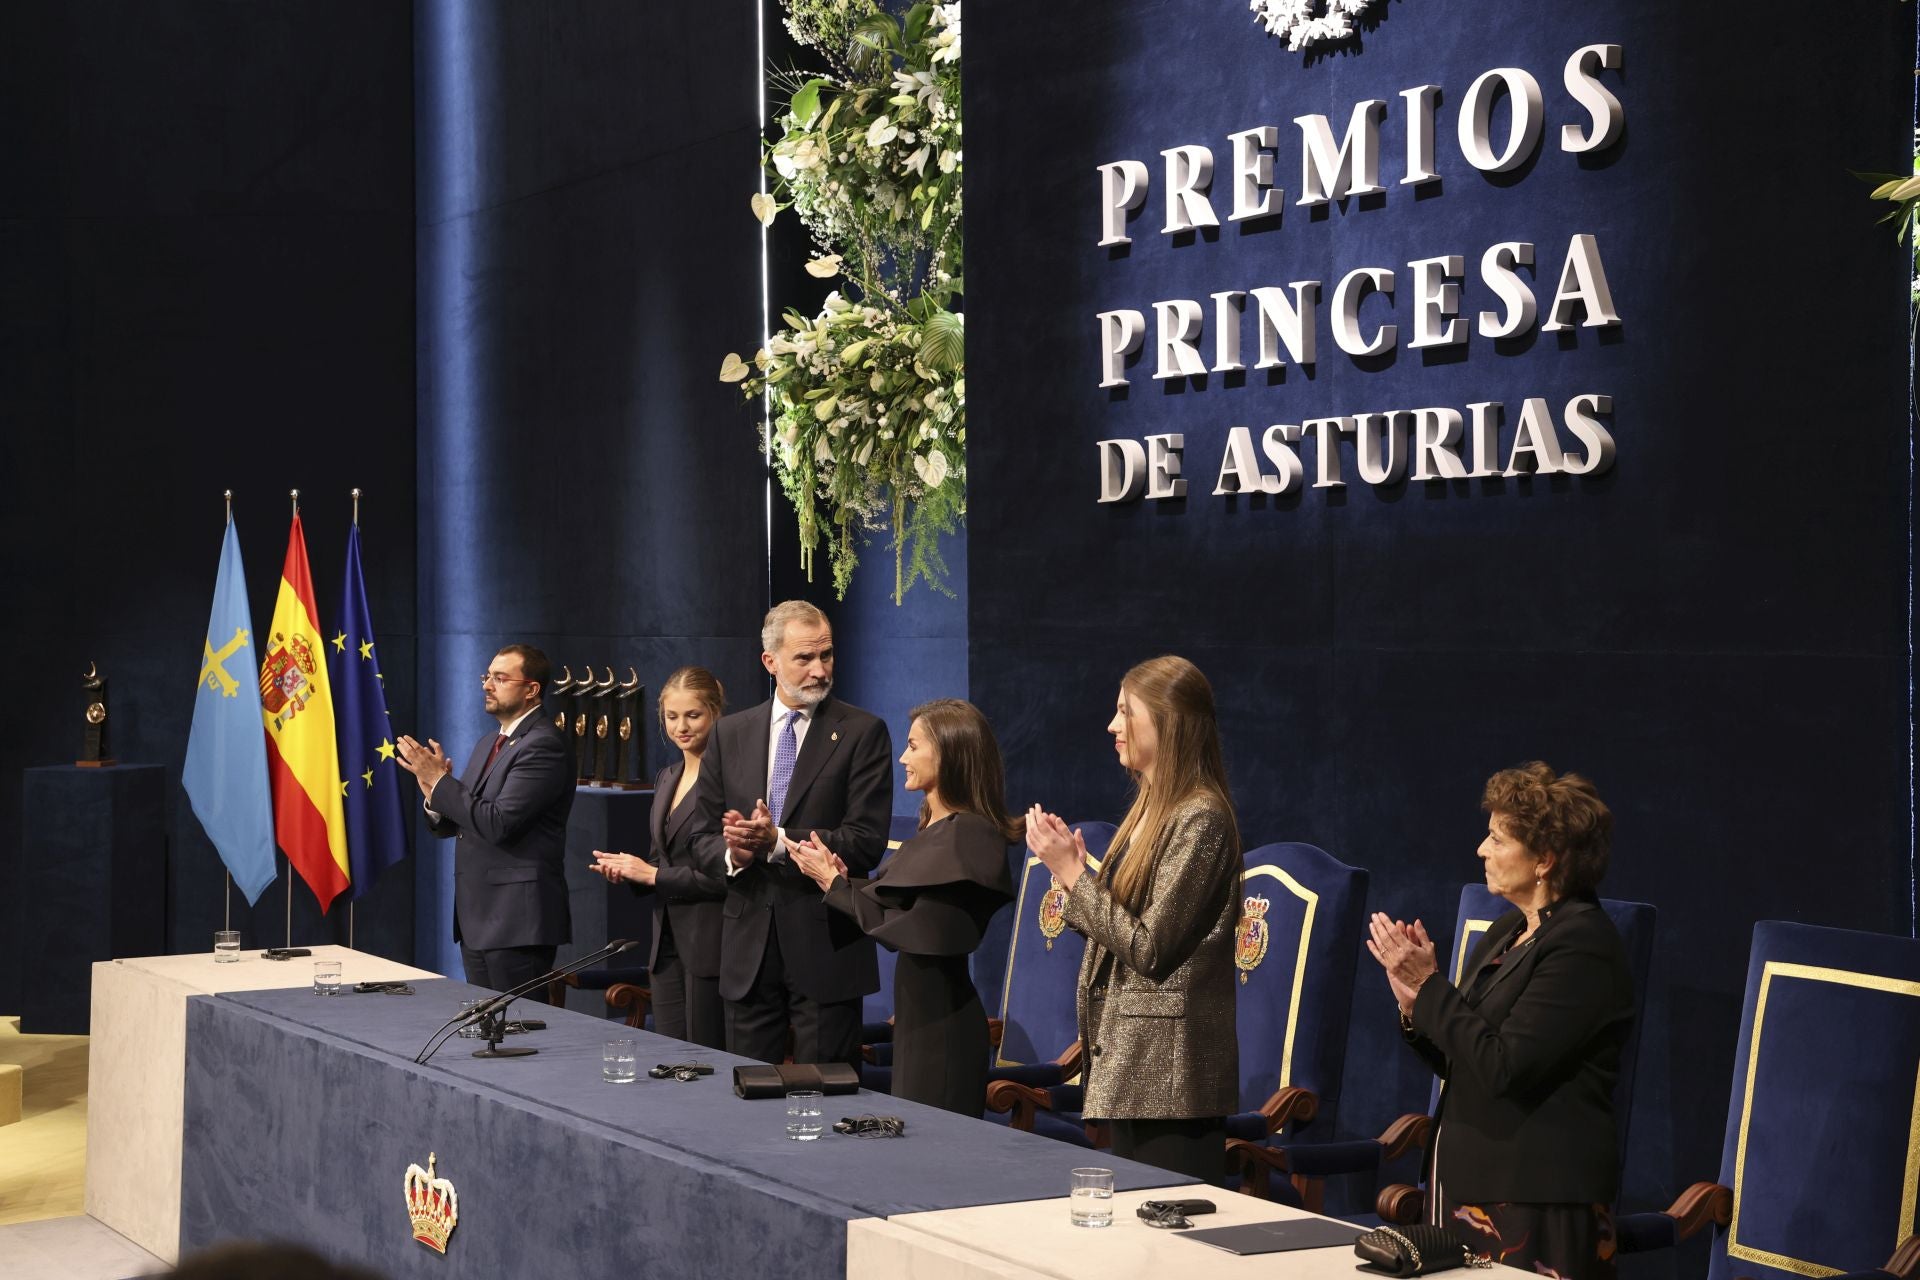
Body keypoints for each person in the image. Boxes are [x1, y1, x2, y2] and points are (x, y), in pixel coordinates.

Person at [1366, 762, 1633, 1280]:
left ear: (1545, 860)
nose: (1481, 850)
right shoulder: (1509, 930)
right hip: (1466, 1191)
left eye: (1496, 839)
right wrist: (1413, 1006)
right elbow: (1463, 1055)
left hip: (1533, 1202)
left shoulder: (1584, 946)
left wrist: (1431, 989)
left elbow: (1504, 1066)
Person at [1025, 655, 1241, 1182]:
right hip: (1133, 1064)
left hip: (1171, 1079)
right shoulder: (1152, 805)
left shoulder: (1201, 817)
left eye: (1125, 712)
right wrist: (1076, 881)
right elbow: (1126, 929)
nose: (1112, 726)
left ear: (1167, 721)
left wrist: (1076, 876)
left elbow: (1149, 948)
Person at [791, 699, 1017, 1114]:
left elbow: (924, 928)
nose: (902, 758)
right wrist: (840, 880)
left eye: (914, 746)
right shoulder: (935, 826)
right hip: (917, 1021)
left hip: (943, 1027)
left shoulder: (969, 834)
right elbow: (893, 899)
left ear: (948, 752)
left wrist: (835, 884)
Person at [690, 600, 892, 1067]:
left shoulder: (863, 732)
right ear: (770, 661)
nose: (819, 670)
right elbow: (700, 838)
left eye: (826, 655)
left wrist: (778, 842)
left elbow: (864, 839)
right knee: (746, 1098)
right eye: (804, 658)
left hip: (826, 948)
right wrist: (734, 854)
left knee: (829, 1102)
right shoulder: (730, 734)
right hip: (747, 953)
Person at [396, 644, 574, 1001]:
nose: (487, 685)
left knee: (520, 1033)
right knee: (489, 1038)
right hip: (478, 919)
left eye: (500, 677)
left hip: (516, 923)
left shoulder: (543, 746)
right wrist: (434, 793)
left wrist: (444, 784)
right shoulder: (488, 743)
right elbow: (459, 823)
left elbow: (497, 823)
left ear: (531, 689)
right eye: (486, 676)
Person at [588, 666, 728, 1049]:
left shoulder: (734, 778)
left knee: (707, 1061)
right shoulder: (668, 775)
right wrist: (630, 872)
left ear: (716, 713)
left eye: (693, 715)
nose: (681, 726)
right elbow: (660, 859)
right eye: (671, 716)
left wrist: (652, 876)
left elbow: (727, 875)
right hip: (665, 945)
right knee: (671, 1059)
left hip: (714, 944)